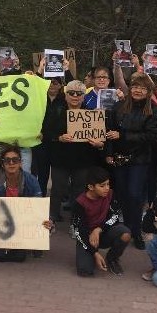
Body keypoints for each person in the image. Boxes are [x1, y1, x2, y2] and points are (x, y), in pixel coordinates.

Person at [105, 75, 157, 249]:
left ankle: (136, 231)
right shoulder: (119, 106)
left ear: (148, 91)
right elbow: (108, 130)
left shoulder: (152, 108)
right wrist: (108, 153)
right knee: (121, 194)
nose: (138, 90)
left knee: (135, 195)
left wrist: (123, 135)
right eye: (135, 87)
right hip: (119, 157)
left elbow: (152, 136)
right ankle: (126, 230)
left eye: (142, 88)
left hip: (139, 159)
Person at [0, 144, 51, 262]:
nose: (11, 163)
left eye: (15, 160)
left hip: (24, 219)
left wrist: (47, 220)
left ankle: (34, 245)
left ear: (20, 163)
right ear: (2, 164)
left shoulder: (31, 180)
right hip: (2, 219)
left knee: (45, 223)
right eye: (7, 160)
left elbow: (39, 206)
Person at [50, 81, 104, 225]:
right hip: (60, 159)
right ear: (66, 95)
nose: (75, 96)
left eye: (79, 93)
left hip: (83, 160)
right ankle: (52, 217)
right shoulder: (56, 110)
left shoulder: (91, 113)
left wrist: (98, 143)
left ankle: (76, 220)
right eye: (71, 93)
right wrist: (59, 137)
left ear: (83, 96)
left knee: (79, 191)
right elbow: (47, 131)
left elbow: (99, 137)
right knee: (57, 189)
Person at [72, 167, 131, 276]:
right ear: (91, 187)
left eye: (108, 184)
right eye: (102, 186)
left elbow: (115, 216)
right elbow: (78, 231)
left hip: (104, 232)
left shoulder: (111, 194)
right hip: (86, 237)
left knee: (125, 233)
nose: (107, 188)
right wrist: (94, 253)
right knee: (85, 271)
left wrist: (99, 229)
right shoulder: (79, 203)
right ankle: (91, 256)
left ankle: (112, 259)